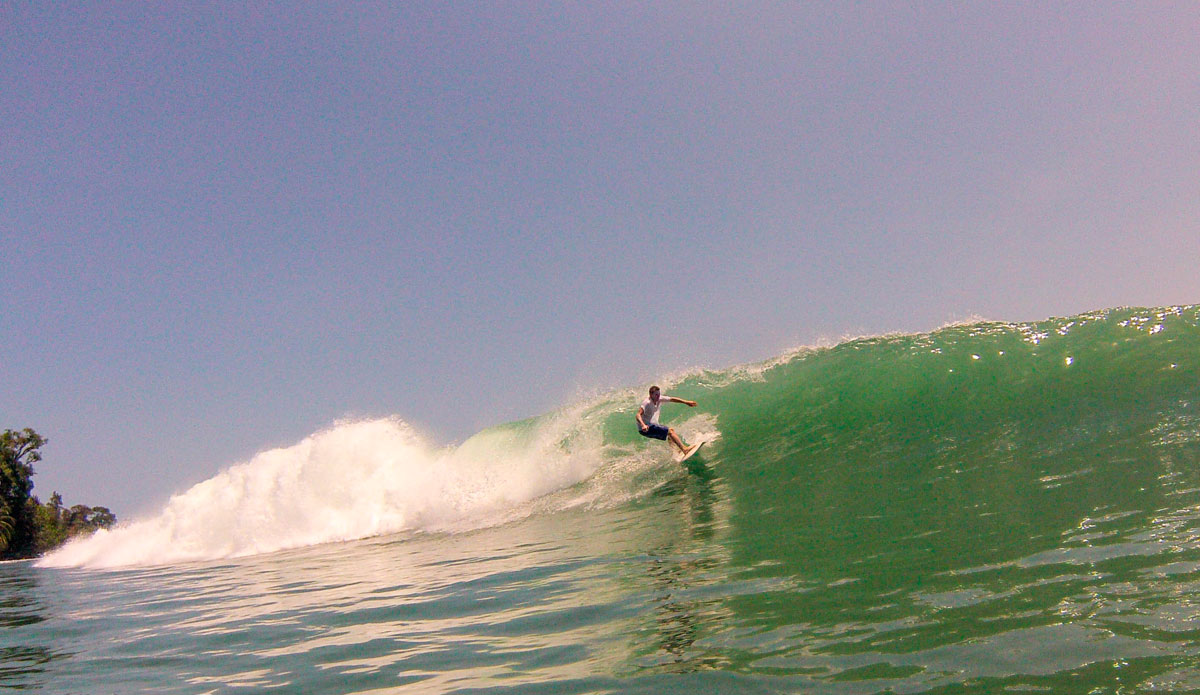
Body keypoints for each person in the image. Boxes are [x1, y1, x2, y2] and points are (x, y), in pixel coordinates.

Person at [636, 385, 698, 455]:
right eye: (656, 395)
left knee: (670, 432)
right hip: (645, 428)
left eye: (659, 394)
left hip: (649, 426)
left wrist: (686, 402)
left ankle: (676, 451)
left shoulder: (659, 398)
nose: (658, 396)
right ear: (651, 395)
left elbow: (672, 399)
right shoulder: (647, 403)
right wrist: (643, 425)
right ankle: (684, 449)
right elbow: (638, 415)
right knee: (670, 431)